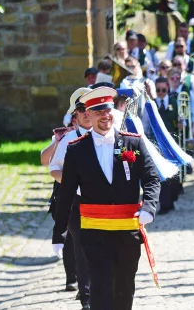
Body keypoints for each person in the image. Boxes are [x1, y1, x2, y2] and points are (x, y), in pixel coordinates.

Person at [51, 86, 161, 310]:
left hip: (127, 232)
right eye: (98, 111)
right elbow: (67, 193)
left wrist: (149, 207)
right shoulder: (76, 149)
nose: (105, 116)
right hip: (95, 234)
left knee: (124, 289)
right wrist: (59, 232)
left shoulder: (134, 143)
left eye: (108, 109)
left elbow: (151, 178)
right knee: (100, 291)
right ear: (88, 115)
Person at [48, 87, 94, 308]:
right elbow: (54, 168)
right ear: (75, 114)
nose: (87, 113)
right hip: (77, 202)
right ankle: (86, 298)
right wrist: (70, 184)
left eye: (91, 108)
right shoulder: (68, 140)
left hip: (103, 202)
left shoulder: (108, 136)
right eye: (82, 109)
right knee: (82, 247)